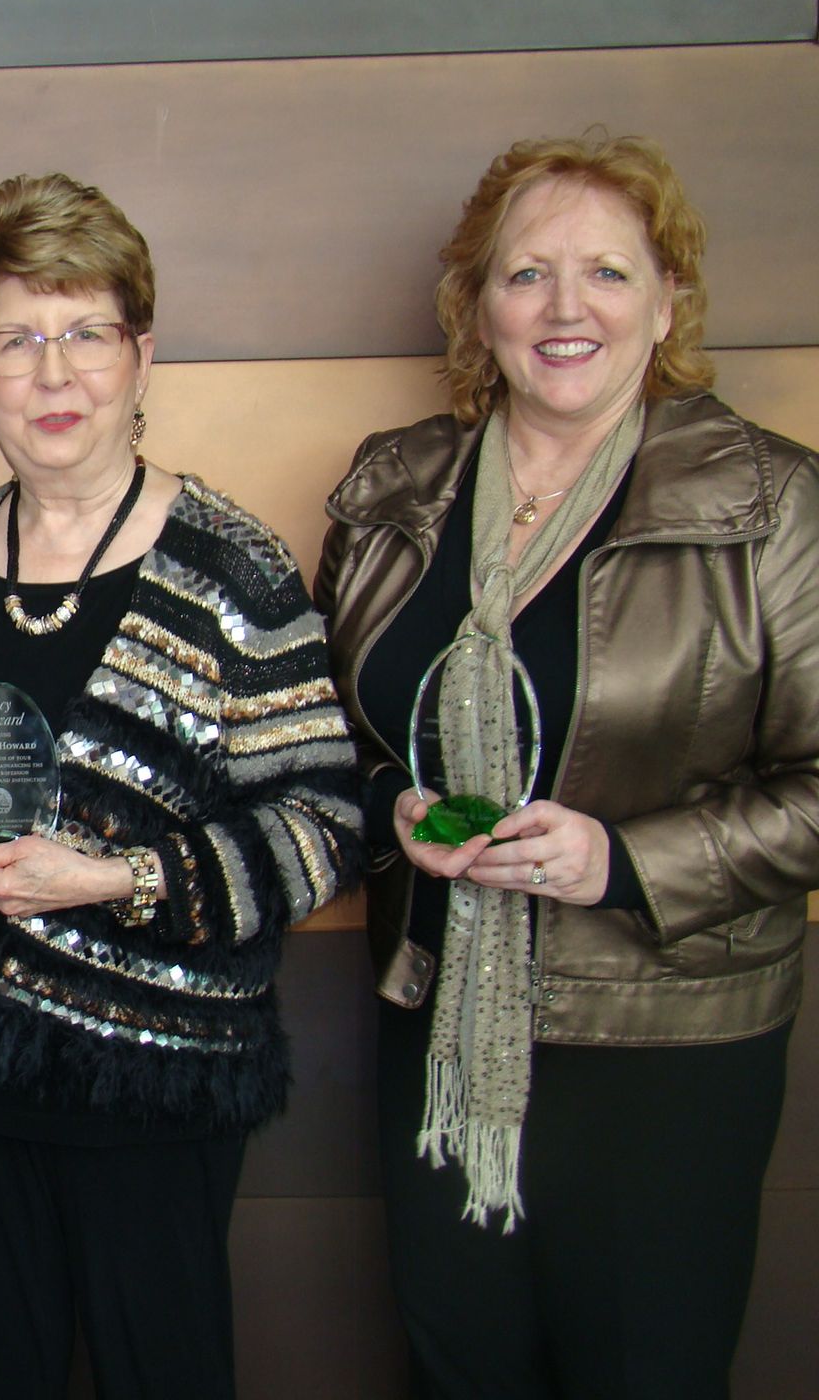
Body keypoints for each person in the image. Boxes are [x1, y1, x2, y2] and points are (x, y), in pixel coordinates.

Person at [0, 172, 364, 1400]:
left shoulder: (234, 570)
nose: (53, 375)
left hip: (151, 1082)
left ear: (141, 354)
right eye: (15, 339)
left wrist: (117, 878)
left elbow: (326, 821)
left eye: (85, 333)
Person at [316, 133, 819, 1399]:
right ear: (476, 308)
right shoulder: (394, 489)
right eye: (526, 274)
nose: (564, 307)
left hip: (666, 1048)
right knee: (458, 1366)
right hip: (435, 1019)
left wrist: (625, 859)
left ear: (667, 301)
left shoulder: (775, 505)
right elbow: (323, 744)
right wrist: (397, 808)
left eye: (606, 271)